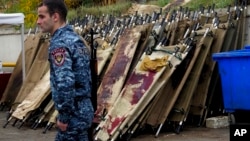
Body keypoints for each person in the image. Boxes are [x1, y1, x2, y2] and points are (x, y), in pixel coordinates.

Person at [37, 0, 94, 140]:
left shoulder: (59, 43)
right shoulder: (76, 40)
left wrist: (64, 116)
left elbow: (65, 82)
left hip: (73, 114)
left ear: (55, 17)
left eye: (42, 16)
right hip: (84, 109)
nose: (38, 21)